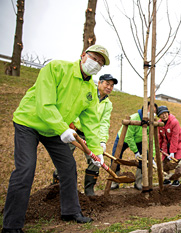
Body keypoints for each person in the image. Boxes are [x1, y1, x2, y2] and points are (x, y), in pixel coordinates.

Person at [2, 44, 110, 232]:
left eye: (100, 63)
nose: (96, 64)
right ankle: (11, 225)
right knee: (26, 169)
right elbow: (44, 103)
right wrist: (62, 128)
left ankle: (70, 211)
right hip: (29, 122)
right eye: (94, 58)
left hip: (54, 130)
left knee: (68, 167)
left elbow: (92, 124)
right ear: (83, 55)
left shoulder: (90, 92)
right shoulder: (56, 68)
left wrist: (98, 152)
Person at [52, 74, 118, 196]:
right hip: (74, 131)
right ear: (99, 83)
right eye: (107, 84)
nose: (109, 87)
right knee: (65, 158)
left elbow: (104, 123)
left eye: (112, 85)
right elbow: (75, 108)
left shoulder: (108, 104)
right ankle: (55, 187)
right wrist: (70, 124)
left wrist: (102, 141)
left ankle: (89, 191)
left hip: (91, 135)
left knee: (95, 161)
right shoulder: (88, 92)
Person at [111, 102, 158, 190]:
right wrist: (136, 152)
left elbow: (151, 141)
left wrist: (152, 157)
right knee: (115, 158)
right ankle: (115, 181)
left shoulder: (151, 122)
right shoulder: (134, 118)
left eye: (154, 111)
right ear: (144, 110)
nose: (152, 112)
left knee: (145, 158)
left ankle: (138, 182)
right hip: (123, 138)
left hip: (139, 140)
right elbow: (129, 137)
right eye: (149, 109)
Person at [157, 106, 181, 187]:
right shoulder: (159, 123)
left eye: (165, 113)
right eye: (161, 114)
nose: (164, 115)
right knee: (164, 160)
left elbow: (175, 137)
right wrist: (159, 146)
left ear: (168, 113)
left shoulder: (174, 122)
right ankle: (167, 178)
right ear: (159, 116)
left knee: (177, 160)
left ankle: (176, 179)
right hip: (166, 142)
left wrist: (172, 152)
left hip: (178, 141)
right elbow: (160, 136)